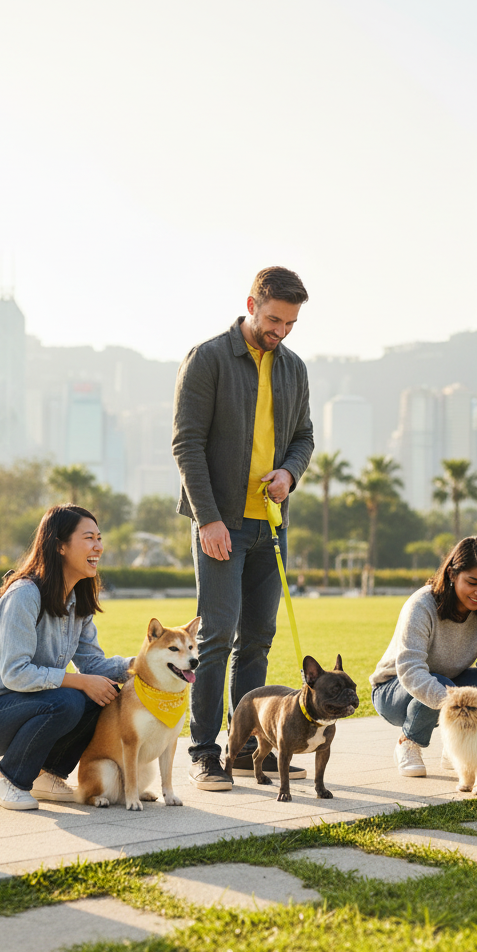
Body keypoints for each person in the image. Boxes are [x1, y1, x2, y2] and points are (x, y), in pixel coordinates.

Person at [172, 266, 315, 791]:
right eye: (274, 319)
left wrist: (289, 473)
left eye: (291, 323)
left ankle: (248, 748)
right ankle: (205, 751)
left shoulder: (294, 369)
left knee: (256, 640)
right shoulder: (208, 359)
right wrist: (207, 518)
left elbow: (304, 436)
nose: (280, 331)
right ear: (251, 304)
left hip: (270, 528)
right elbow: (186, 443)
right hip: (220, 525)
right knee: (215, 638)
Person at [0, 505, 132, 811]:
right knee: (70, 699)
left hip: (29, 705)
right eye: (89, 538)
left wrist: (136, 665)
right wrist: (78, 682)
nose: (98, 547)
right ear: (60, 545)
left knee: (103, 693)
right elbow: (15, 673)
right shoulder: (25, 595)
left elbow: (92, 665)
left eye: (99, 538)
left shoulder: (78, 603)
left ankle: (44, 774)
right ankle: (5, 778)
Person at [370, 537, 477, 778]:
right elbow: (410, 669)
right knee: (442, 684)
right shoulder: (422, 605)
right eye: (472, 582)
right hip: (393, 691)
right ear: (451, 574)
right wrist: (453, 701)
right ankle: (408, 742)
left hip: (449, 680)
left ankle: (457, 749)